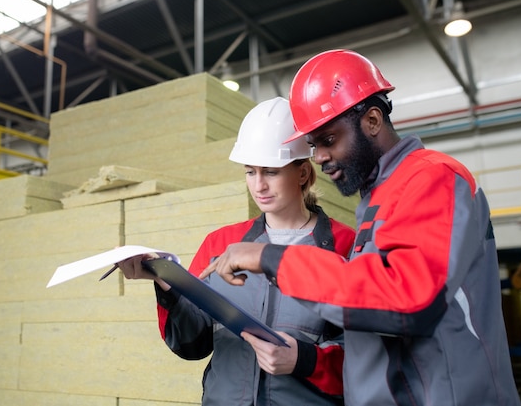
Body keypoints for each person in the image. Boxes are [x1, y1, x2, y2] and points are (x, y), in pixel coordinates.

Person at [200, 50, 521, 406]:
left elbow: (408, 300)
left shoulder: (433, 178)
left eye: (328, 140)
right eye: (313, 145)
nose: (319, 157)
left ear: (371, 121)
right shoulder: (378, 200)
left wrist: (272, 258)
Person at [116, 97, 356, 405]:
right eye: (249, 172)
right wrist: (165, 283)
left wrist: (305, 359)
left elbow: (369, 357)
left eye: (270, 171)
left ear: (302, 173)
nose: (259, 186)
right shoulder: (220, 244)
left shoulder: (345, 246)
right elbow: (192, 343)